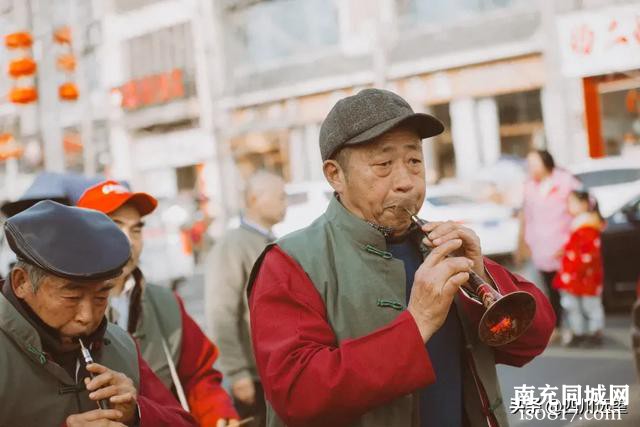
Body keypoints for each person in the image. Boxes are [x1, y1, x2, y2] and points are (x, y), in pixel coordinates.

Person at [247, 88, 555, 427]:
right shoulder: (289, 263)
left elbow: (532, 338)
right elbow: (297, 394)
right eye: (383, 165)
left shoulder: (435, 248)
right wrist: (417, 324)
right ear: (336, 175)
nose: (406, 182)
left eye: (414, 161)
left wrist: (482, 277)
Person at [0, 200, 196, 427]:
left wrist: (136, 413)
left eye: (101, 297)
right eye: (71, 297)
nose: (87, 317)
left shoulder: (121, 344)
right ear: (21, 282)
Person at [76, 180, 239, 427]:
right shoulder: (68, 311)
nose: (128, 241)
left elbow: (198, 375)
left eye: (136, 230)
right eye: (114, 226)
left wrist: (217, 413)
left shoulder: (166, 303)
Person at [205, 170, 287, 427]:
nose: (285, 203)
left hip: (277, 369)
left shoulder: (269, 240)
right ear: (254, 199)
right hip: (252, 375)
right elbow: (221, 312)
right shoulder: (234, 244)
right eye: (280, 197)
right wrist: (237, 372)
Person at [518, 149, 580, 339]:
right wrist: (524, 241)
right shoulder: (529, 187)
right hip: (541, 248)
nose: (532, 168)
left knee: (569, 291)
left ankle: (578, 328)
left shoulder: (565, 181)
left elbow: (584, 205)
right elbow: (527, 217)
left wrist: (573, 239)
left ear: (546, 162)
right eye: (529, 164)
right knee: (549, 290)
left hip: (564, 246)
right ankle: (558, 327)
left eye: (535, 163)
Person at [553, 189, 605, 347]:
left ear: (583, 204)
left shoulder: (587, 226)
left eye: (572, 202)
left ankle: (594, 331)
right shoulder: (579, 224)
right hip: (574, 273)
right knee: (572, 304)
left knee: (589, 303)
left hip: (583, 273)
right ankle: (579, 331)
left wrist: (573, 265)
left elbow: (589, 253)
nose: (569, 206)